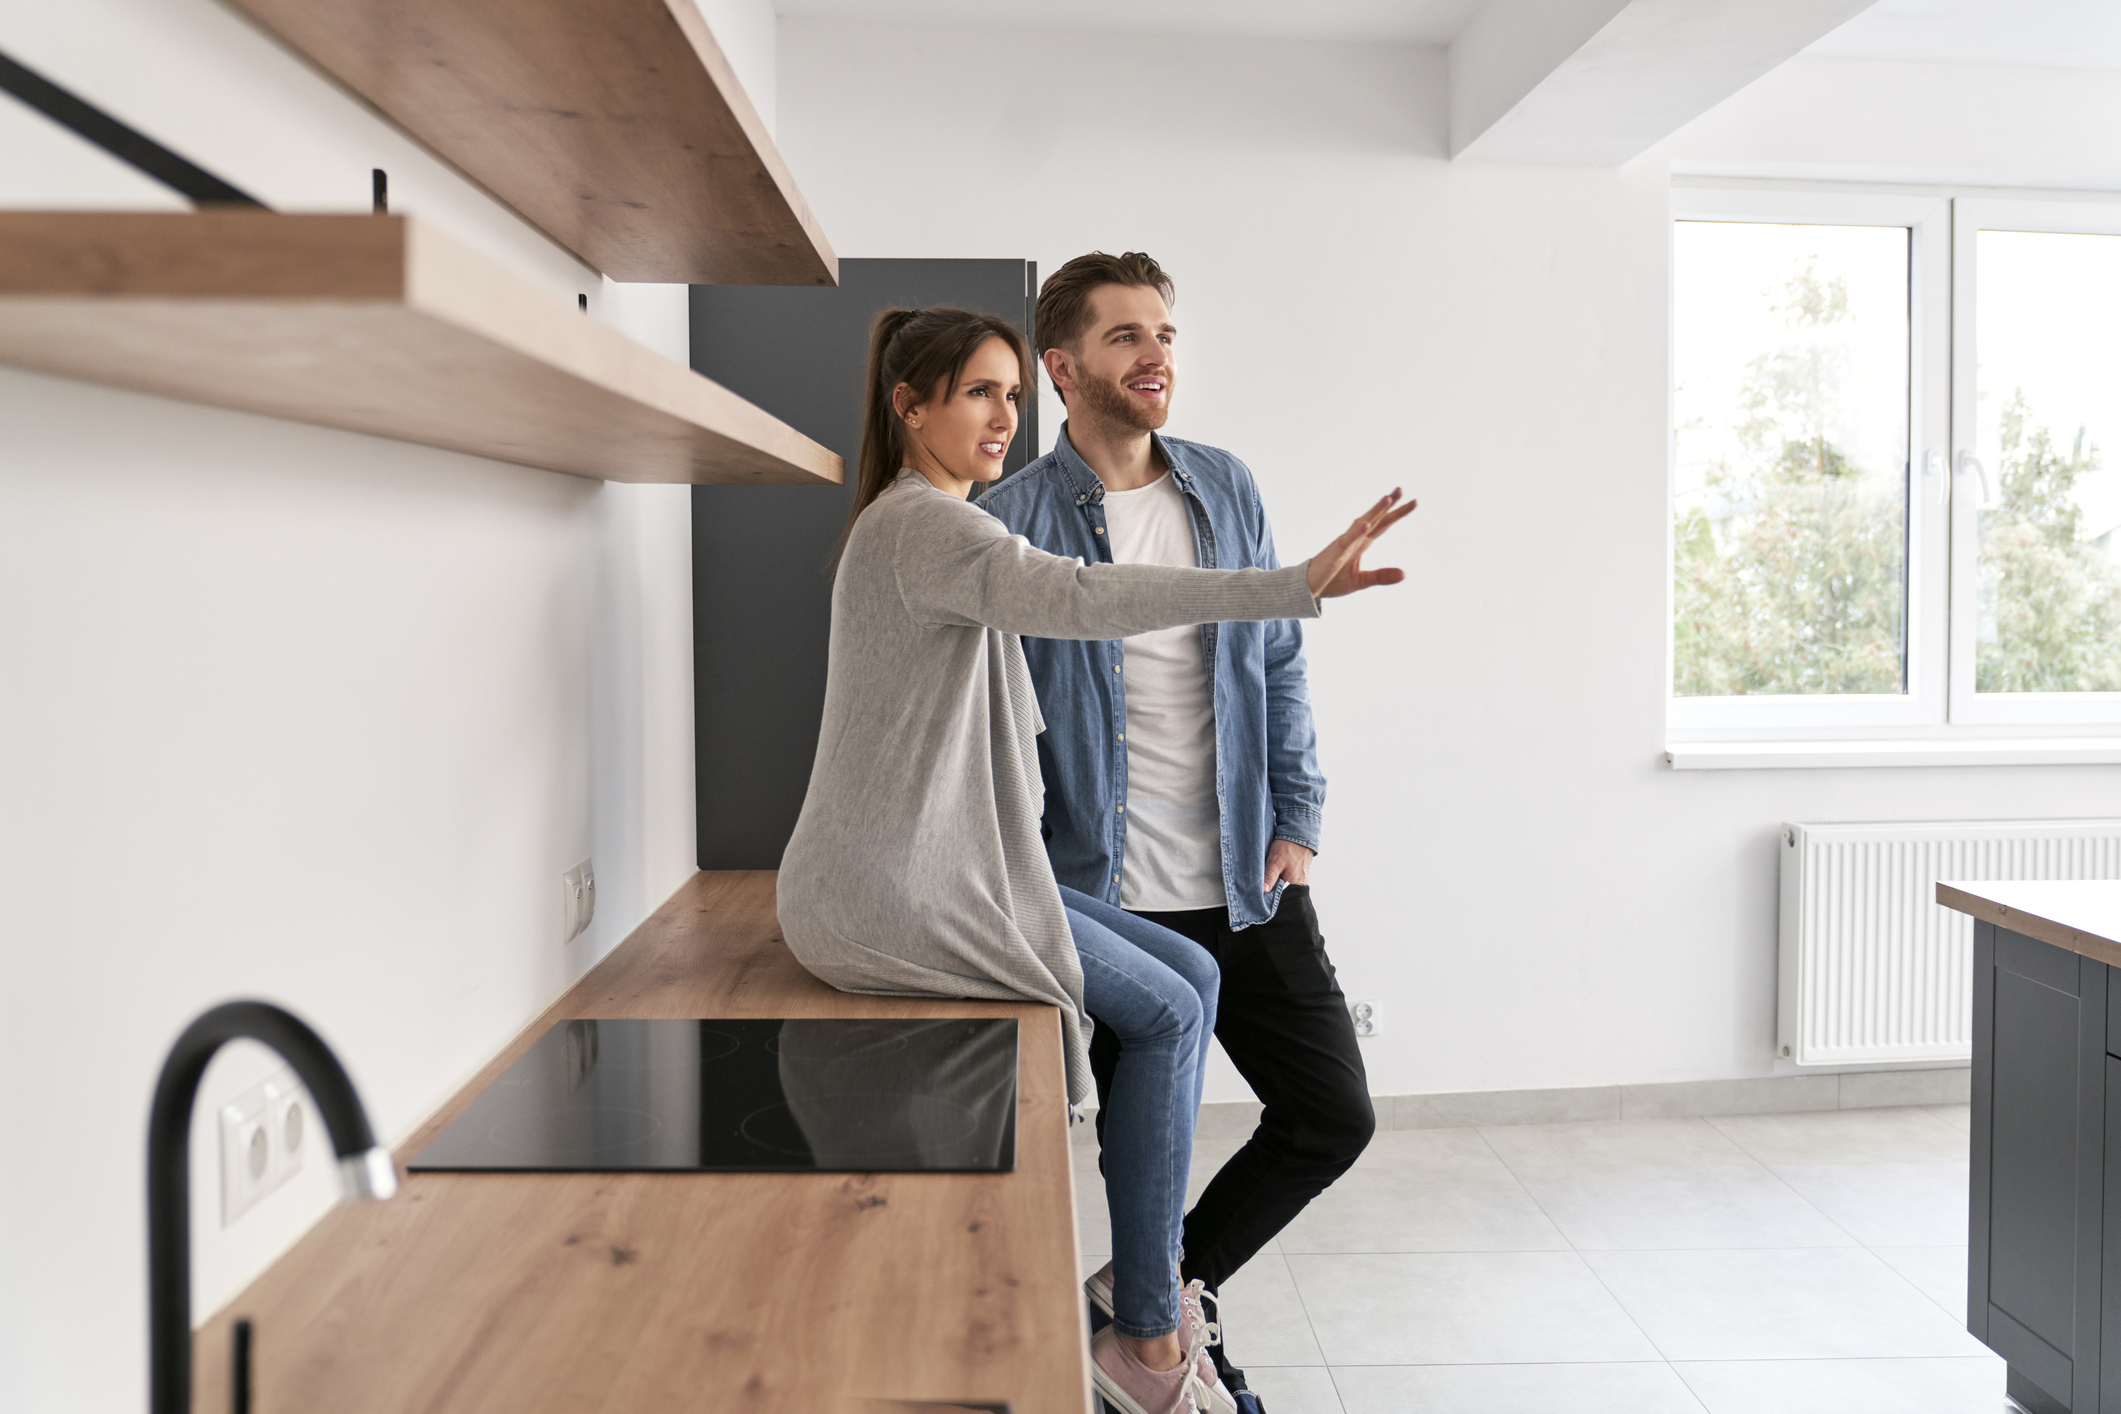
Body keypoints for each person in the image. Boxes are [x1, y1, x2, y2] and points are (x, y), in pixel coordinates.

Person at [775, 306, 1413, 1414]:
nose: (1000, 415)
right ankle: (1149, 1338)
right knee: (1167, 1015)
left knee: (1198, 981)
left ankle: (1142, 1295)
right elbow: (1079, 597)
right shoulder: (926, 527)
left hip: (942, 865)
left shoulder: (937, 521)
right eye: (977, 392)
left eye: (1010, 395)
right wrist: (1289, 583)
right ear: (909, 404)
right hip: (893, 890)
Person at [978, 253, 1388, 1403]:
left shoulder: (1222, 486)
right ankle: (1158, 1338)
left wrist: (1297, 815)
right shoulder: (1009, 519)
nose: (1155, 353)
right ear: (1060, 368)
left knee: (1330, 1114)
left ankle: (1143, 1303)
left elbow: (1276, 657)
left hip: (1245, 874)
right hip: (1105, 893)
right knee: (1139, 1156)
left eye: (1163, 331)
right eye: (1123, 336)